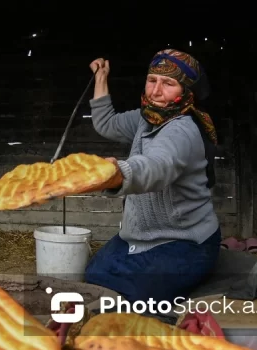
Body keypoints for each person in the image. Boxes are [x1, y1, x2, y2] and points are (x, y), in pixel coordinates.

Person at [82, 49, 222, 305]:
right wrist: (101, 77)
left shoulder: (182, 129)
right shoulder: (147, 117)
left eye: (168, 83)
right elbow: (107, 123)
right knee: (94, 277)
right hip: (139, 236)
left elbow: (157, 166)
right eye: (152, 80)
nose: (156, 91)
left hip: (183, 241)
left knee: (141, 301)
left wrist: (117, 172)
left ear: (187, 91)